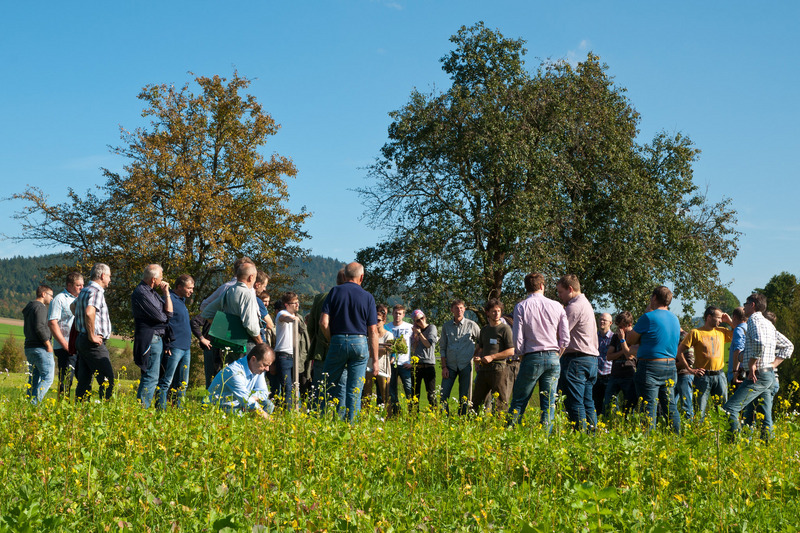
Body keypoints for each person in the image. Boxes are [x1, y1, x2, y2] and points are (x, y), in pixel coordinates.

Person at [723, 293, 794, 440]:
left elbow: (759, 343)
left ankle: (733, 445)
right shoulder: (768, 324)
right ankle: (767, 446)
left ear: (753, 305)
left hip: (757, 375)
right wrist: (772, 365)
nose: (744, 306)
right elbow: (788, 345)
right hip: (768, 375)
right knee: (764, 415)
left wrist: (752, 364)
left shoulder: (753, 320)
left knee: (730, 408)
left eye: (746, 303)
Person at [507, 273, 570, 433]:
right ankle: (544, 439)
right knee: (548, 403)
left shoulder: (521, 307)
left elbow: (517, 338)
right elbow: (565, 338)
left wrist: (521, 354)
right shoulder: (557, 306)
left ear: (526, 287)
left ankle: (510, 434)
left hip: (532, 356)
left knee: (519, 400)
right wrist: (558, 353)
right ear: (542, 286)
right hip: (553, 356)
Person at [320, 262, 379, 422]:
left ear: (344, 276)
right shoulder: (368, 297)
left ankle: (322, 423)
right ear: (362, 277)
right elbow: (373, 331)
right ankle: (351, 428)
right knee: (355, 390)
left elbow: (324, 323)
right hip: (360, 343)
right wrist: (375, 361)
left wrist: (331, 339)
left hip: (338, 340)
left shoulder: (334, 292)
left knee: (327, 386)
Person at [626, 286, 683, 434]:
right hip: (670, 365)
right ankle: (677, 439)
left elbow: (630, 339)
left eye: (652, 297)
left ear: (655, 298)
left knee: (648, 408)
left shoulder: (648, 317)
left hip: (650, 366)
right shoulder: (675, 319)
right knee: (670, 407)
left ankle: (647, 442)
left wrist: (645, 315)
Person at [194, 257, 256, 387]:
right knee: (244, 376)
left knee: (231, 374)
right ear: (250, 276)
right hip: (244, 339)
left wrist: (223, 326)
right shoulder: (239, 290)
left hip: (228, 340)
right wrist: (224, 325)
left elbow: (205, 310)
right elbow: (250, 324)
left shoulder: (228, 289)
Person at [556, 274, 600, 431]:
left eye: (560, 292)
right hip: (591, 359)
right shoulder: (586, 304)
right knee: (588, 401)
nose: (560, 297)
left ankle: (580, 436)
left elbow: (561, 333)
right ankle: (592, 436)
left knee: (575, 402)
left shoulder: (574, 306)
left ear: (570, 289)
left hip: (576, 360)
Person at [677, 306, 734, 422]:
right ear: (709, 317)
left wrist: (730, 321)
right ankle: (699, 435)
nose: (720, 320)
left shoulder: (722, 332)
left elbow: (741, 332)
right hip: (703, 377)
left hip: (720, 375)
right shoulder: (696, 333)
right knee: (699, 411)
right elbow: (679, 352)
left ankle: (720, 437)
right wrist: (690, 369)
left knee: (723, 410)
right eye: (718, 318)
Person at [201, 262, 264, 359]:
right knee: (248, 373)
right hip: (247, 344)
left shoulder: (229, 291)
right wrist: (260, 343)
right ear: (251, 277)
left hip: (230, 343)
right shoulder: (247, 294)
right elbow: (251, 326)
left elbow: (207, 312)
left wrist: (225, 326)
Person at [131, 264, 174, 409]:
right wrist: (165, 315)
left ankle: (143, 408)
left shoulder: (153, 293)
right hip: (151, 338)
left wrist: (166, 293)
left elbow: (169, 314)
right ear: (154, 279)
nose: (163, 280)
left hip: (157, 338)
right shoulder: (142, 293)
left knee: (153, 377)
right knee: (150, 377)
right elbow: (162, 317)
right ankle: (141, 410)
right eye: (161, 277)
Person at [73, 263, 115, 400]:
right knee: (108, 380)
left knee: (84, 380)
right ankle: (105, 411)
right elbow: (89, 312)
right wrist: (91, 335)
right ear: (102, 276)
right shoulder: (96, 291)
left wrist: (82, 324)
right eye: (109, 276)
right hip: (92, 342)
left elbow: (72, 306)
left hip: (81, 339)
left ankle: (80, 411)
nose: (110, 279)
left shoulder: (85, 290)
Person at [207, 343, 276, 418]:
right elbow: (247, 402)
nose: (267, 369)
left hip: (240, 404)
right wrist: (269, 419)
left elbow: (264, 392)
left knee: (268, 404)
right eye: (265, 365)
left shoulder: (258, 369)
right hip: (221, 406)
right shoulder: (234, 372)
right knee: (240, 412)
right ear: (253, 359)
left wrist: (250, 399)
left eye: (269, 365)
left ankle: (257, 425)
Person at [157, 274, 194, 409]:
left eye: (192, 288)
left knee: (183, 383)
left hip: (185, 348)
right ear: (179, 287)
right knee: (167, 381)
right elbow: (164, 323)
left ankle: (179, 410)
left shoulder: (181, 300)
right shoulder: (168, 299)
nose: (191, 291)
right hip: (174, 347)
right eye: (189, 288)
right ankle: (160, 409)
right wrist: (167, 343)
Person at [472, 298, 514, 414]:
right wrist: (477, 357)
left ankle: (500, 426)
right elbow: (480, 348)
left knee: (500, 402)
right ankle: (474, 426)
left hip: (499, 369)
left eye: (499, 311)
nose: (497, 314)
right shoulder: (484, 330)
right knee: (476, 400)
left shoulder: (505, 329)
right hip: (483, 369)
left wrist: (492, 357)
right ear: (488, 313)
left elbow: (511, 351)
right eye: (494, 311)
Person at [440, 299, 480, 415]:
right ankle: (444, 419)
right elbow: (442, 347)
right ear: (452, 310)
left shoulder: (472, 325)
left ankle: (462, 419)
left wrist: (475, 353)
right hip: (450, 366)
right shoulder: (446, 326)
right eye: (456, 308)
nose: (459, 310)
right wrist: (444, 367)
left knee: (465, 396)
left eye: (461, 308)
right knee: (443, 395)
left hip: (466, 365)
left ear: (464, 309)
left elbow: (482, 341)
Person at [47, 271, 84, 399]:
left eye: (82, 285)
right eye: (78, 285)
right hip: (66, 347)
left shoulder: (81, 299)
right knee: (66, 380)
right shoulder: (59, 299)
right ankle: (62, 409)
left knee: (84, 378)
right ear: (69, 285)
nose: (82, 288)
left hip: (80, 346)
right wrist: (65, 345)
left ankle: (82, 408)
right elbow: (52, 323)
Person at [23, 284, 55, 404]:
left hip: (29, 347)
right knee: (48, 378)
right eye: (51, 295)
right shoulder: (40, 307)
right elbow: (40, 327)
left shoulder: (29, 307)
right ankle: (34, 404)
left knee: (34, 378)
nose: (52, 298)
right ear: (43, 294)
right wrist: (48, 344)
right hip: (41, 347)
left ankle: (27, 404)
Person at [603, 311, 638, 416]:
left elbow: (629, 356)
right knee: (608, 403)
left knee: (628, 406)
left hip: (629, 374)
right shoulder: (615, 337)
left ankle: (625, 425)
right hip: (615, 374)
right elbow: (609, 356)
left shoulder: (634, 336)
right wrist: (624, 350)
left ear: (629, 324)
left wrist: (623, 341)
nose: (620, 330)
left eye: (622, 327)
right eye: (618, 327)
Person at [272, 291, 301, 408]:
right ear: (286, 305)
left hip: (293, 355)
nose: (297, 305)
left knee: (295, 386)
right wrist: (292, 319)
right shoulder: (282, 313)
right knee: (287, 387)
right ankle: (287, 414)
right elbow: (285, 317)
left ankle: (294, 410)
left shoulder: (296, 316)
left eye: (298, 302)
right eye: (294, 303)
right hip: (283, 355)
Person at [363, 304, 393, 407]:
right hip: (368, 367)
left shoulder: (388, 335)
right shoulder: (368, 335)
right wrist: (378, 350)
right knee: (366, 396)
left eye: (379, 320)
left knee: (385, 396)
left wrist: (372, 350)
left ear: (384, 321)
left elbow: (387, 351)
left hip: (383, 368)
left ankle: (388, 419)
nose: (376, 322)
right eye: (374, 320)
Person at [388, 304, 414, 416]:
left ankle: (412, 413)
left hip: (405, 364)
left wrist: (412, 362)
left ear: (403, 315)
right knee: (392, 391)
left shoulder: (410, 327)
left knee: (409, 389)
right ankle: (395, 413)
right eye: (395, 313)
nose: (397, 315)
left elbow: (415, 345)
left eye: (400, 313)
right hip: (391, 363)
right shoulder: (387, 327)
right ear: (392, 313)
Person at [410, 309, 439, 410]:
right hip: (416, 365)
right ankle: (413, 416)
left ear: (425, 317)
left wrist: (419, 334)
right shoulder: (414, 332)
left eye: (422, 318)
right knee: (414, 394)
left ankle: (435, 415)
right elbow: (412, 349)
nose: (421, 321)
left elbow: (428, 344)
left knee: (431, 394)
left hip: (428, 365)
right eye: (418, 320)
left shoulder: (432, 328)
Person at [595, 313, 614, 418]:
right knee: (595, 403)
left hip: (608, 375)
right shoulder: (593, 336)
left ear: (610, 323)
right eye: (600, 319)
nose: (602, 321)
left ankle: (608, 425)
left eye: (604, 320)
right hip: (596, 375)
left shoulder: (614, 338)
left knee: (608, 404)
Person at [726, 306, 747, 388]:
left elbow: (738, 350)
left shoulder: (738, 330)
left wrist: (735, 372)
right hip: (746, 371)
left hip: (739, 374)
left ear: (734, 317)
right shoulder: (748, 328)